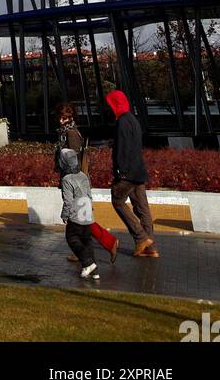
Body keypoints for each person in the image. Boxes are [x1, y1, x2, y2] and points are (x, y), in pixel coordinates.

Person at [55, 105, 118, 264]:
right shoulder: (68, 132)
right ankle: (85, 249)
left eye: (64, 118)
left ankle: (107, 242)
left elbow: (74, 160)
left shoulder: (71, 134)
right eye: (60, 117)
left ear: (71, 118)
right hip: (75, 180)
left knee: (78, 219)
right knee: (80, 218)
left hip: (74, 181)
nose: (61, 120)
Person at [105, 89, 158, 257]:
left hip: (127, 173)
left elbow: (122, 149)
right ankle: (150, 247)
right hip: (138, 171)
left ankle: (141, 237)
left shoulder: (122, 122)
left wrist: (120, 171)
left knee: (118, 201)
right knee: (143, 209)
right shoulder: (133, 120)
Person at [58, 147, 100, 280]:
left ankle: (88, 263)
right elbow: (89, 194)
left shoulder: (67, 179)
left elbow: (68, 201)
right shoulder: (83, 175)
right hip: (87, 213)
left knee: (72, 238)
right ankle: (94, 270)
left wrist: (64, 215)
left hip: (76, 215)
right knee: (87, 240)